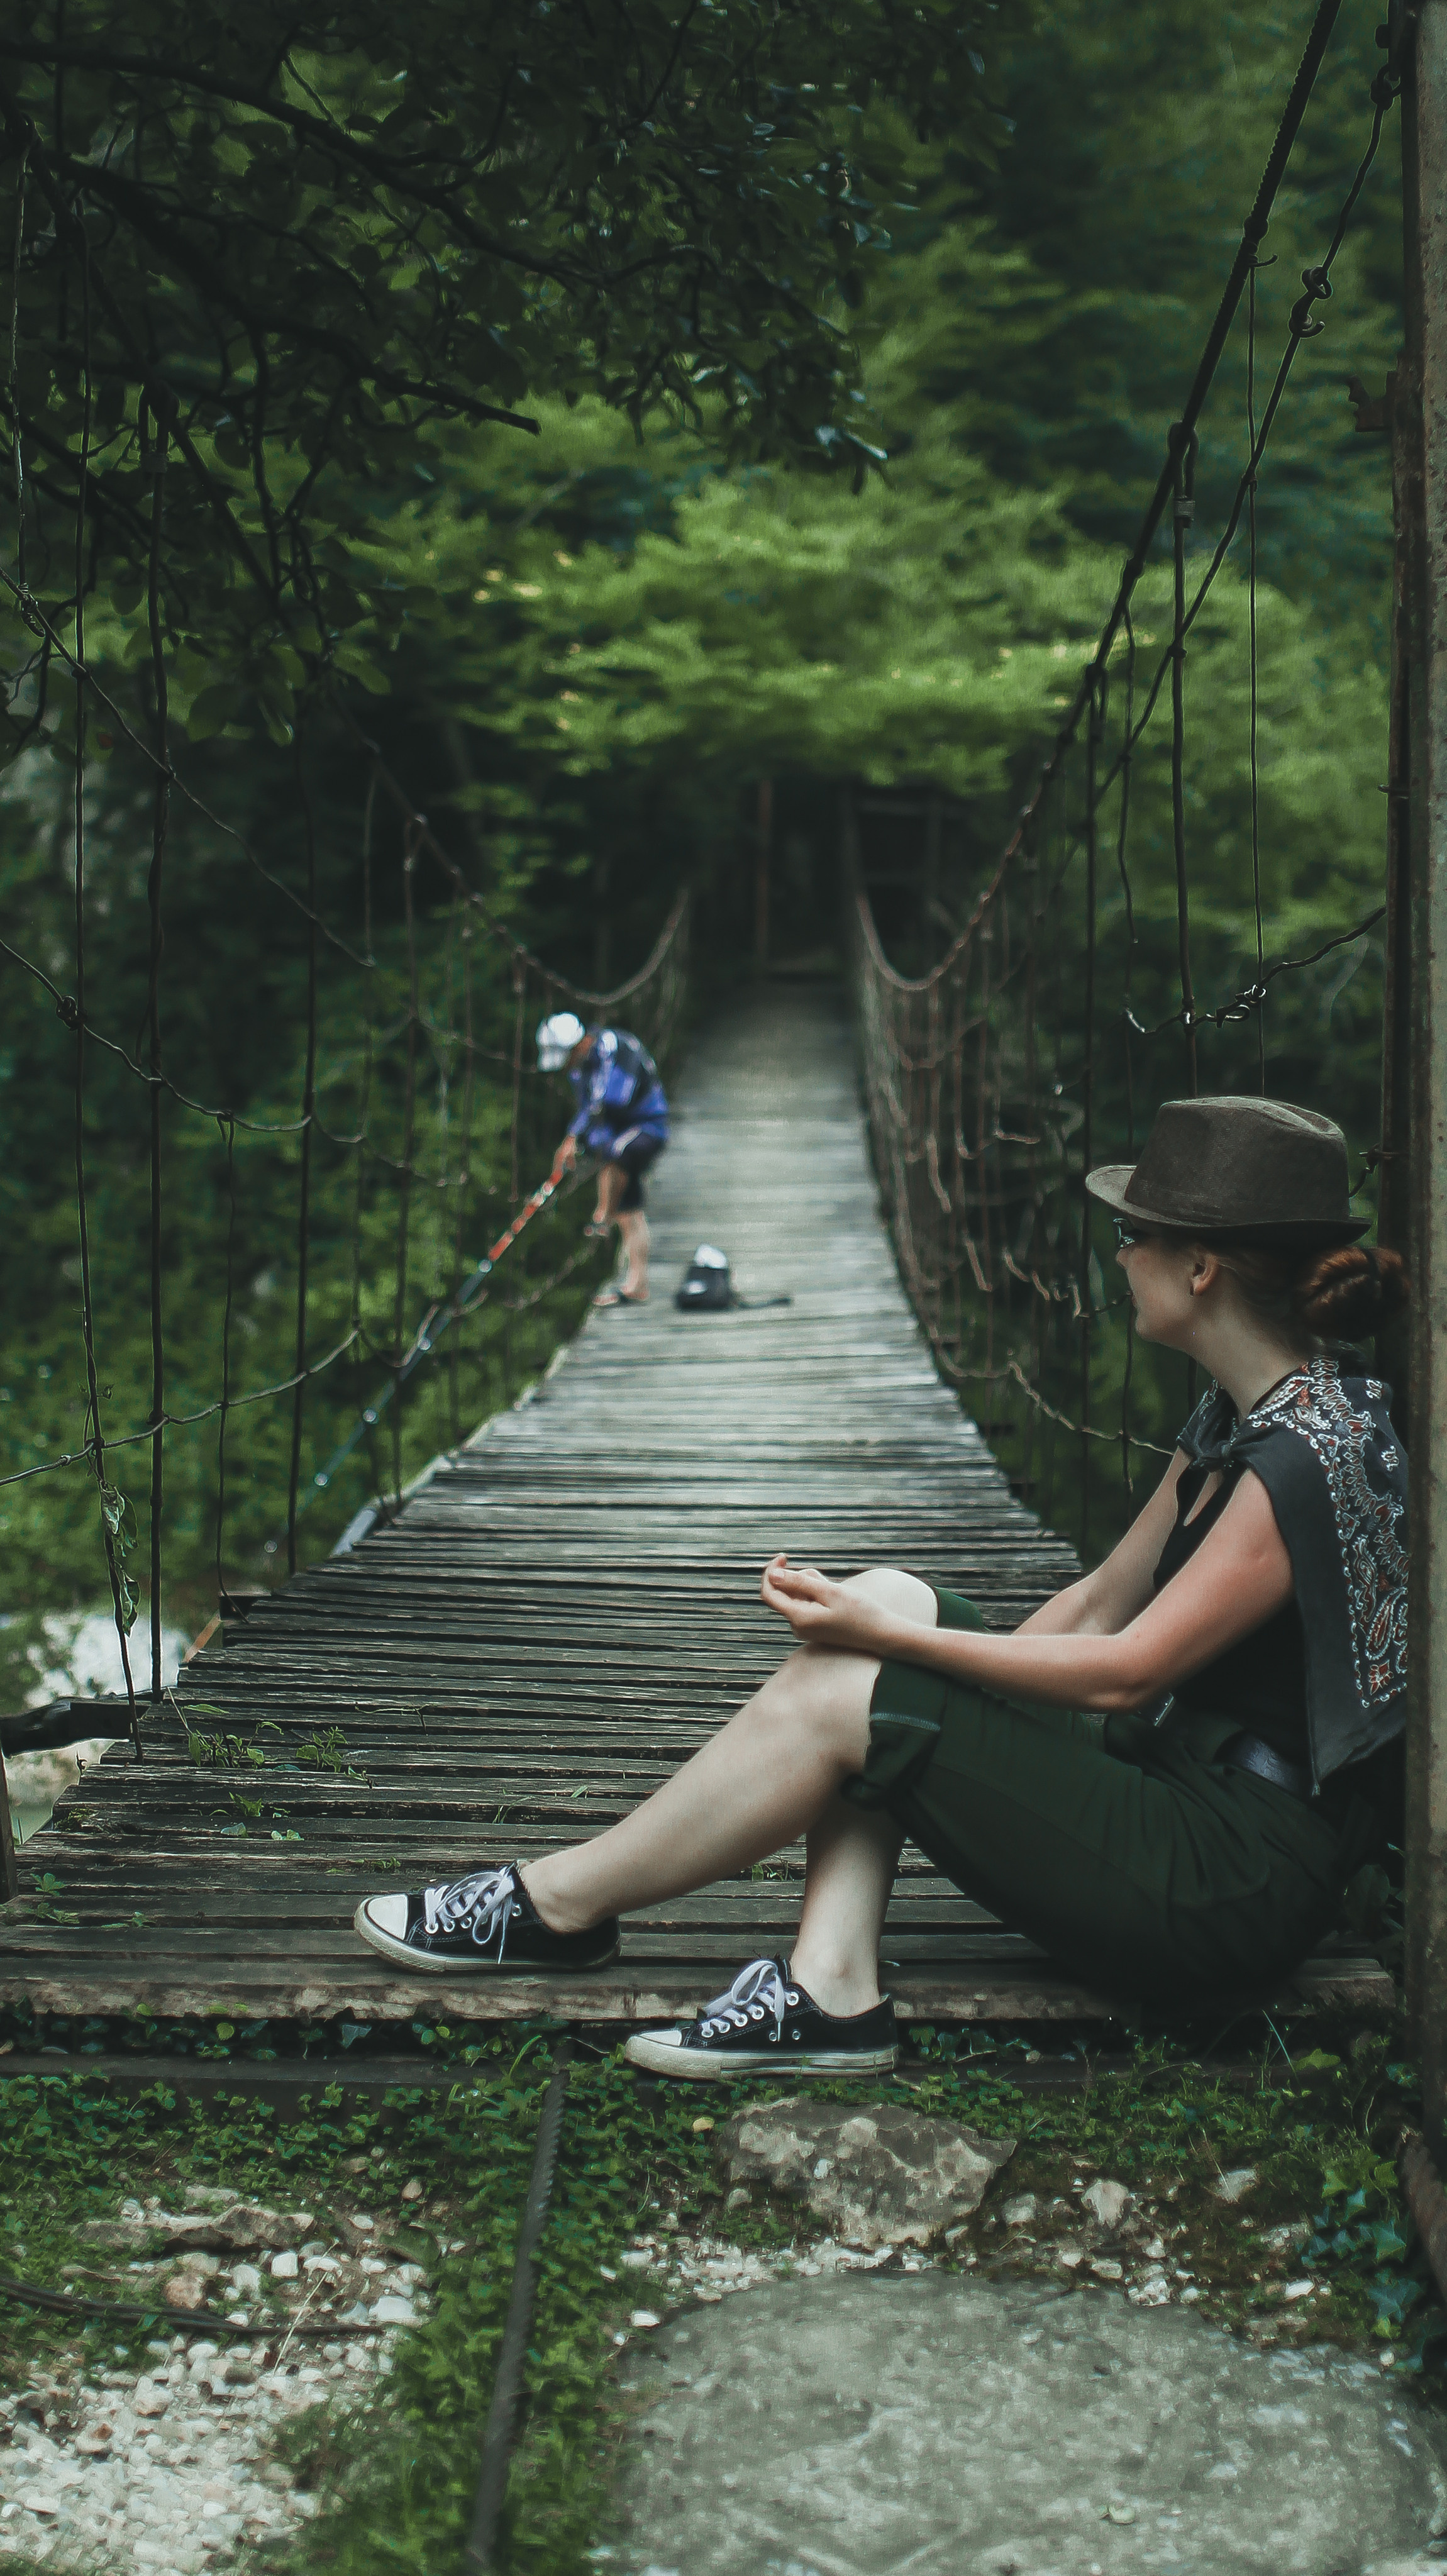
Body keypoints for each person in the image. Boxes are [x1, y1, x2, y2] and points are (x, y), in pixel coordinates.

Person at [353, 1094, 1407, 2082]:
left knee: (870, 1673)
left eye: (1136, 1236)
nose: (1119, 1253)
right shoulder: (1253, 1415)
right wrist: (904, 1654)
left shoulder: (1302, 1461)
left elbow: (1127, 1673)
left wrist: (896, 1666)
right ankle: (830, 1986)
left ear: (1203, 1269)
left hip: (1227, 1881)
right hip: (1178, 1784)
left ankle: (557, 1906)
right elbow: (1097, 1601)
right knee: (894, 1604)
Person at [535, 1010, 670, 1307]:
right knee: (630, 1209)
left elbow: (613, 1101)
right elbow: (592, 1116)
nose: (567, 1066)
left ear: (579, 1045)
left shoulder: (617, 1048)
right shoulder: (579, 1070)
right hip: (620, 1135)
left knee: (615, 1155)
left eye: (567, 1057)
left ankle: (602, 1216)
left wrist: (577, 1139)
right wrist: (575, 1141)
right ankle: (637, 1284)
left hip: (648, 1127)